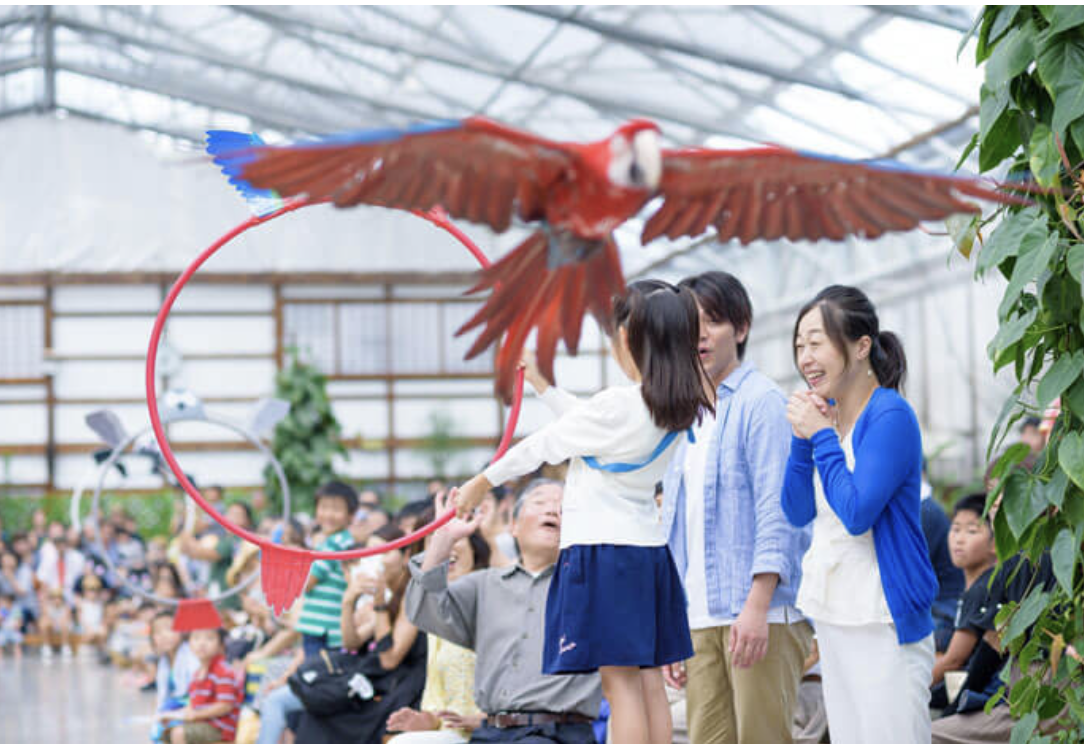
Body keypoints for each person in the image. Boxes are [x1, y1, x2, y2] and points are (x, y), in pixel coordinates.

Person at [453, 281, 712, 744]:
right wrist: (541, 385)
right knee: (647, 679)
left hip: (604, 554)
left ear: (634, 338)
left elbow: (548, 442)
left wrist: (481, 482)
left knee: (621, 685)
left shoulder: (622, 404)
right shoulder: (675, 404)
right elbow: (585, 423)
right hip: (647, 556)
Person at [660, 270, 813, 744]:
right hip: (700, 617)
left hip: (755, 613)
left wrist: (757, 605)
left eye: (713, 321)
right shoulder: (684, 416)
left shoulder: (760, 401)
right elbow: (675, 526)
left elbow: (778, 510)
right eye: (689, 323)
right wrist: (673, 622)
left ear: (741, 329)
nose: (699, 334)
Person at [781, 285, 937, 744]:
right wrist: (801, 437)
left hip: (884, 617)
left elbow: (857, 513)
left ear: (861, 346)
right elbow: (796, 509)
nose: (805, 358)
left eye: (816, 343)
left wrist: (821, 438)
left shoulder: (890, 415)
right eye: (799, 346)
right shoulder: (827, 419)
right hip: (835, 612)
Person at [407, 481, 602, 744]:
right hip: (490, 733)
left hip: (558, 734)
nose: (553, 510)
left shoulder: (593, 586)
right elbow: (424, 609)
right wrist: (443, 540)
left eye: (563, 506)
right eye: (540, 502)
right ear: (514, 525)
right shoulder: (484, 584)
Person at [294, 523, 429, 743]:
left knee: (324, 718)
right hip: (380, 684)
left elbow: (390, 659)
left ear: (406, 556)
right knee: (313, 714)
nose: (374, 560)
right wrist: (349, 600)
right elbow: (352, 643)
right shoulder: (386, 595)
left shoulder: (411, 593)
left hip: (404, 689)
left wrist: (379, 606)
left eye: (383, 552)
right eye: (370, 553)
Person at [254, 480, 357, 744]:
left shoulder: (338, 544)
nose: (328, 514)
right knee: (285, 693)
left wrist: (287, 557)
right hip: (315, 633)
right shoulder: (326, 542)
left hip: (327, 636)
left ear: (350, 515)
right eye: (323, 507)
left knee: (292, 698)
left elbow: (306, 581)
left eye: (336, 509)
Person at [388, 529, 491, 742]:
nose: (447, 546)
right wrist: (424, 721)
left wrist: (487, 719)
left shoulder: (498, 601)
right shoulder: (437, 620)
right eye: (435, 542)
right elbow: (440, 711)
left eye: (455, 537)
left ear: (474, 547)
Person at [930, 494, 999, 691]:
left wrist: (911, 690)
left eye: (971, 531)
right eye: (955, 529)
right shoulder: (973, 588)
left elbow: (954, 660)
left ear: (995, 543)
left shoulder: (983, 589)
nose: (959, 540)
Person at [159, 627, 243, 743]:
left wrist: (195, 715)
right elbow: (193, 705)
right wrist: (172, 715)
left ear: (221, 645)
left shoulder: (223, 671)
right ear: (189, 644)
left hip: (220, 728)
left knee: (179, 733)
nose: (201, 643)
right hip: (203, 724)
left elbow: (225, 706)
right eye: (196, 638)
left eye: (209, 638)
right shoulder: (197, 674)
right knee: (165, 734)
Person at [180, 502, 254, 611]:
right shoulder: (224, 539)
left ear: (247, 521)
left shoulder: (236, 541)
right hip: (220, 602)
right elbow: (186, 550)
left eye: (237, 515)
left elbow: (199, 552)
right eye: (230, 514)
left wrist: (190, 523)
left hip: (231, 605)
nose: (231, 519)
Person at [150, 610, 201, 742]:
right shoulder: (164, 661)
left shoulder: (191, 657)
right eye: (157, 632)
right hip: (174, 708)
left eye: (169, 629)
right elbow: (162, 695)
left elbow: (197, 694)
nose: (163, 636)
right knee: (156, 730)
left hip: (193, 706)